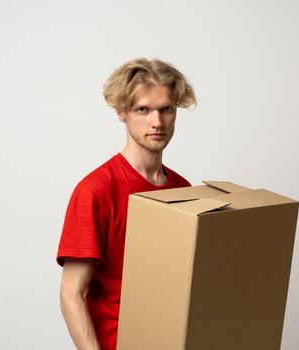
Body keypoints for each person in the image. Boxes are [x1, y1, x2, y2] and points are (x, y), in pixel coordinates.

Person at [56, 58, 197, 350]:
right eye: (143, 109)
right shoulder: (95, 191)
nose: (157, 122)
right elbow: (72, 294)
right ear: (122, 112)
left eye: (166, 109)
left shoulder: (183, 190)